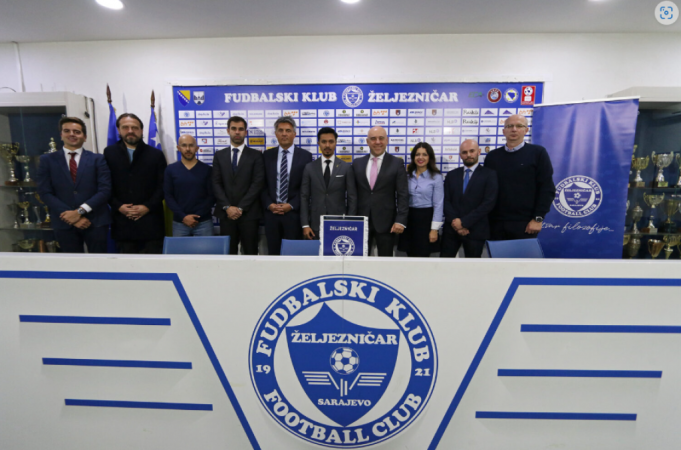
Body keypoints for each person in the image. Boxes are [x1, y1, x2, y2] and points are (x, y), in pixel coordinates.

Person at [36, 117, 111, 253]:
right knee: (71, 263)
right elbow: (44, 192)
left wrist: (79, 212)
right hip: (64, 222)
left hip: (95, 221)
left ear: (84, 137)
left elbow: (105, 190)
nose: (72, 134)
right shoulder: (47, 160)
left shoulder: (98, 159)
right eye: (67, 131)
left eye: (77, 132)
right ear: (61, 135)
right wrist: (71, 217)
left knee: (99, 262)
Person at [483, 114, 555, 240]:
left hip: (526, 223)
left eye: (519, 126)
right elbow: (487, 190)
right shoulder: (492, 157)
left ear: (526, 130)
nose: (514, 129)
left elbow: (547, 188)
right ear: (504, 131)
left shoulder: (538, 153)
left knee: (523, 254)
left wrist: (538, 218)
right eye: (510, 126)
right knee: (497, 254)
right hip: (495, 223)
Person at [104, 113, 167, 254]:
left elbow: (163, 186)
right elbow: (105, 185)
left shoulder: (155, 154)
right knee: (127, 265)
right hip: (122, 223)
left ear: (141, 130)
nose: (130, 131)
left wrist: (147, 207)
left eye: (135, 127)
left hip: (151, 223)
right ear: (119, 130)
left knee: (154, 264)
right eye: (125, 127)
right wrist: (119, 206)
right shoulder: (109, 153)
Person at [351, 126, 409, 257]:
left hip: (387, 223)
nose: (377, 142)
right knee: (359, 261)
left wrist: (400, 220)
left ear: (387, 140)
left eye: (381, 138)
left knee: (385, 262)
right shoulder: (357, 163)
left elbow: (403, 194)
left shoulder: (397, 163)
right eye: (373, 139)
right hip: (361, 221)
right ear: (367, 142)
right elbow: (352, 194)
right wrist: (351, 218)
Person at [212, 116, 264, 254]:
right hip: (226, 214)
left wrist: (240, 208)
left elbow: (257, 184)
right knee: (229, 253)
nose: (237, 132)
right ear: (228, 130)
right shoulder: (219, 155)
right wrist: (227, 207)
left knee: (251, 253)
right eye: (234, 128)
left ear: (245, 132)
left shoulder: (256, 155)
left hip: (249, 214)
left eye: (241, 129)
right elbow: (216, 183)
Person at [261, 116, 313, 255]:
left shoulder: (306, 156)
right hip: (271, 214)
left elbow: (306, 187)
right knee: (273, 254)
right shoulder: (267, 155)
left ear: (294, 134)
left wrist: (291, 205)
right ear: (276, 134)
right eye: (281, 130)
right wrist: (269, 204)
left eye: (288, 130)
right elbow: (261, 184)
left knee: (293, 255)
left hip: (294, 214)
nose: (284, 134)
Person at [441, 139, 498, 258]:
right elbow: (445, 201)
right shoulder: (452, 175)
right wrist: (456, 224)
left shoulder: (489, 174)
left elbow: (488, 203)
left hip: (476, 230)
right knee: (444, 265)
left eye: (472, 151)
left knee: (472, 267)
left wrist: (464, 222)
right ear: (460, 155)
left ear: (479, 152)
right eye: (464, 152)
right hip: (451, 230)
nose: (468, 155)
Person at [300, 127, 357, 239]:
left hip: (340, 223)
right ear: (318, 143)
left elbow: (352, 197)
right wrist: (305, 224)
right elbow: (304, 197)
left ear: (336, 143)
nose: (327, 145)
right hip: (315, 224)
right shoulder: (309, 168)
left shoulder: (346, 168)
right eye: (324, 142)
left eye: (331, 141)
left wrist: (350, 222)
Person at [398, 142, 443, 257]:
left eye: (424, 154)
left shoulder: (436, 177)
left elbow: (438, 205)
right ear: (413, 157)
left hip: (426, 221)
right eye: (417, 154)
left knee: (423, 257)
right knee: (409, 255)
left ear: (430, 157)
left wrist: (434, 229)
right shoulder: (407, 176)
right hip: (408, 219)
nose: (420, 157)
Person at [164, 134, 214, 237]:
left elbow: (212, 196)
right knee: (179, 249)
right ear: (178, 148)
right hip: (180, 223)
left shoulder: (207, 170)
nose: (187, 149)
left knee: (207, 248)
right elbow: (168, 196)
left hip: (203, 223)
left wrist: (197, 216)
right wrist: (183, 217)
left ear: (197, 148)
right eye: (184, 145)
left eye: (191, 145)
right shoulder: (170, 170)